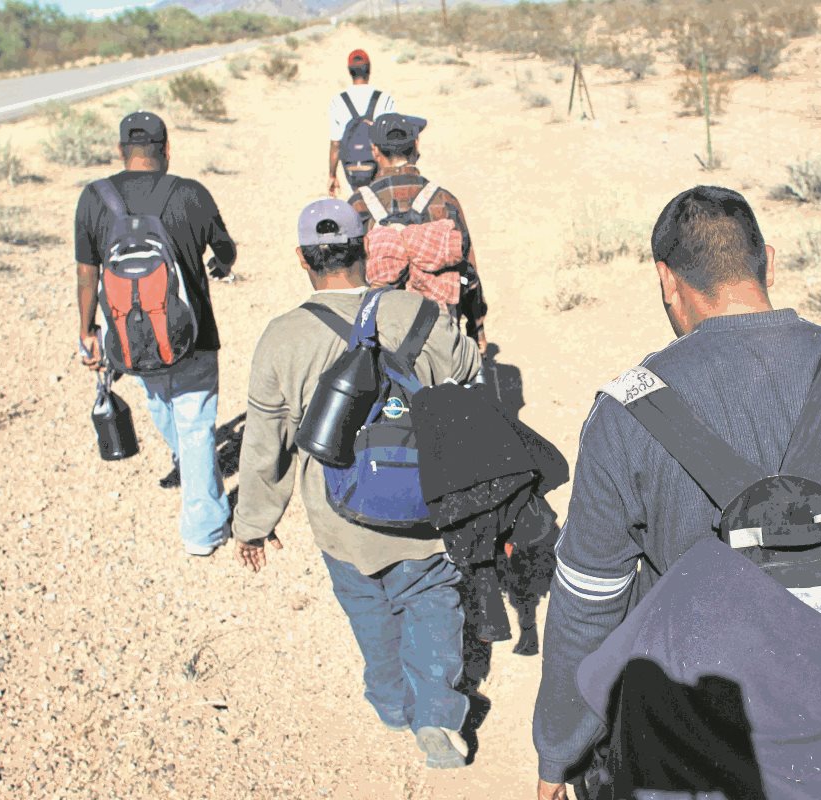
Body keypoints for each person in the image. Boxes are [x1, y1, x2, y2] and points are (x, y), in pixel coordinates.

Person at [532, 186, 821, 799]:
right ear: (770, 263)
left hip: (696, 749)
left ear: (666, 281)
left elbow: (588, 606)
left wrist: (559, 750)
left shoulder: (625, 416)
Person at [232, 199, 480, 769]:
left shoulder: (282, 337)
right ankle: (438, 717)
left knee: (368, 607)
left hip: (339, 518)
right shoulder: (413, 311)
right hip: (425, 501)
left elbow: (265, 445)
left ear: (302, 258)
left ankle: (392, 703)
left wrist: (253, 525)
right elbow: (466, 367)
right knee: (431, 602)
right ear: (366, 248)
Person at [74, 110, 237, 557]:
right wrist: (219, 265)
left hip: (130, 337)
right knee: (196, 422)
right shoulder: (190, 193)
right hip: (194, 334)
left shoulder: (94, 197)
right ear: (166, 149)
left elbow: (87, 273)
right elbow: (225, 250)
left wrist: (87, 329)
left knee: (159, 399)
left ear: (120, 151)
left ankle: (187, 461)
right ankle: (202, 532)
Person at [347, 112, 489, 354]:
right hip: (439, 334)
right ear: (416, 145)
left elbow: (349, 277)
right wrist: (477, 330)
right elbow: (469, 272)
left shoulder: (357, 206)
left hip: (383, 338)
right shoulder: (445, 201)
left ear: (374, 151)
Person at [328, 48, 397, 198]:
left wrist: (332, 175)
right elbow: (390, 138)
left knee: (358, 201)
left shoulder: (338, 101)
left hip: (351, 166)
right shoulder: (384, 99)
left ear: (349, 71)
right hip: (377, 164)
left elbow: (335, 144)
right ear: (369, 70)